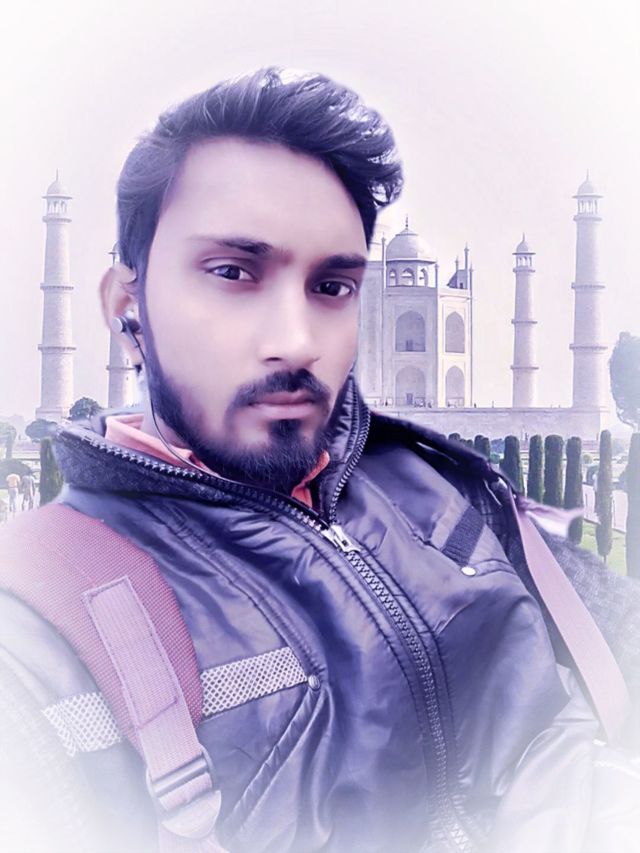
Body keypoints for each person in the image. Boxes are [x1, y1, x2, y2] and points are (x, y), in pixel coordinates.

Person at [0, 68, 639, 853]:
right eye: (233, 273)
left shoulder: (441, 488)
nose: (296, 339)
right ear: (126, 306)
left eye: (333, 285)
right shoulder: (38, 622)